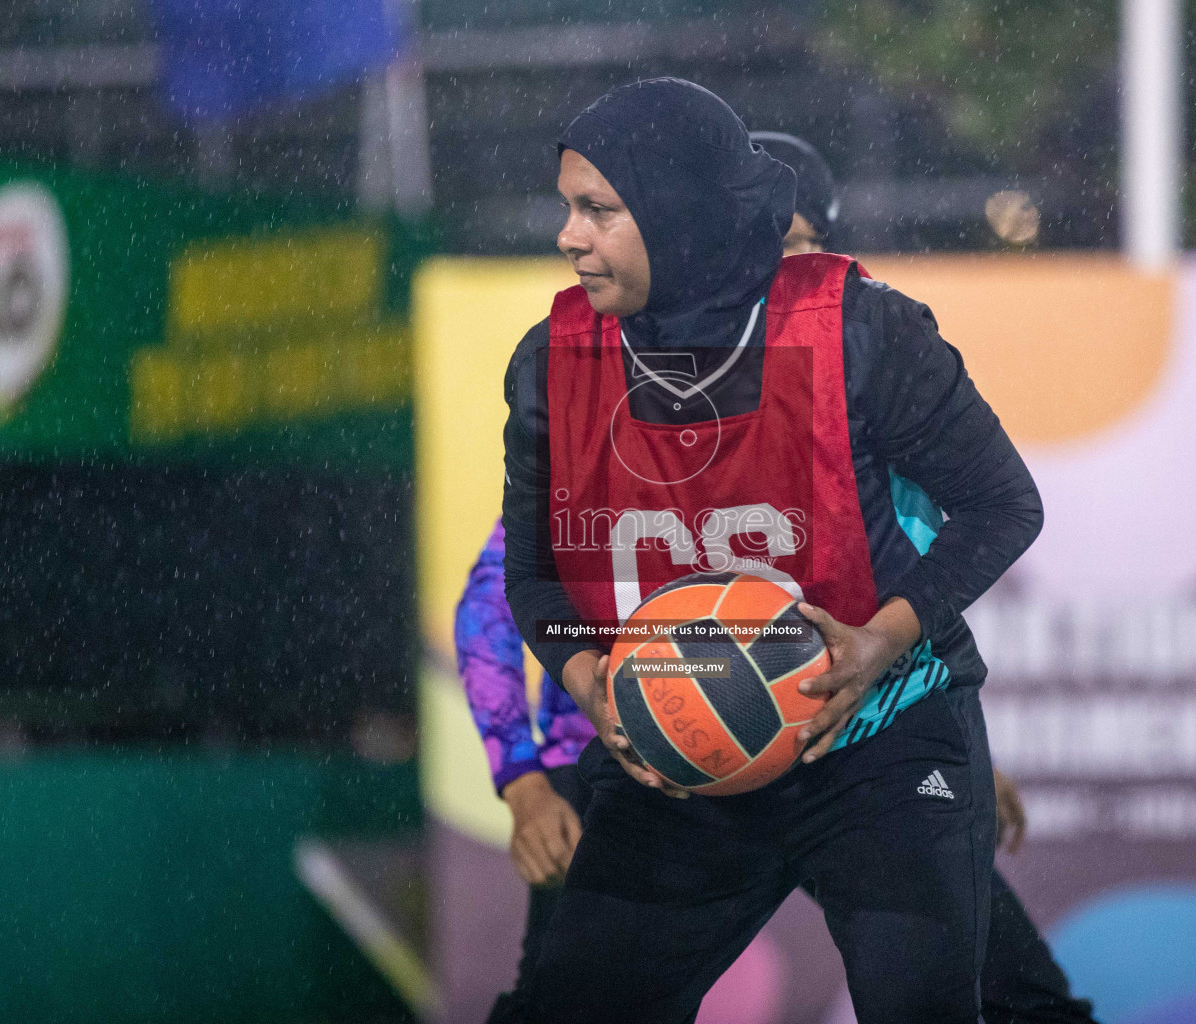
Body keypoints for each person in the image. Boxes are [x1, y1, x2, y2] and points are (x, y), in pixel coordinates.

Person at [459, 127, 1096, 1024]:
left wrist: (885, 641)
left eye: (596, 210)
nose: (567, 235)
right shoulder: (554, 362)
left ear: (680, 221)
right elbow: (526, 578)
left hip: (881, 738)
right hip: (679, 763)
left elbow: (1002, 507)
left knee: (983, 1001)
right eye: (571, 207)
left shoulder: (865, 330)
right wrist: (584, 679)